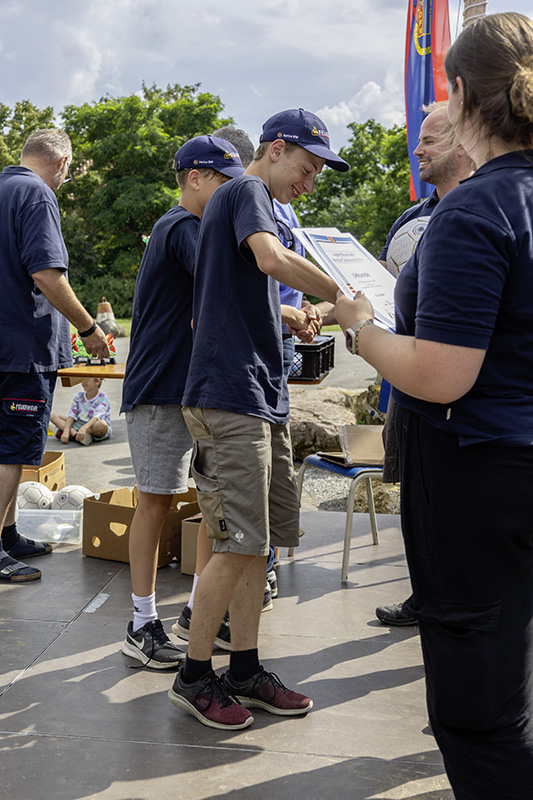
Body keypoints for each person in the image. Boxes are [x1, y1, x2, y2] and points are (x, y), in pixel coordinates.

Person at [334, 13, 533, 797]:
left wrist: (361, 331)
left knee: (478, 711)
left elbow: (441, 374)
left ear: (461, 97)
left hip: (478, 474)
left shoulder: (473, 211)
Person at [168, 108, 348, 730]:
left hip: (260, 392)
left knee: (259, 543)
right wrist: (338, 295)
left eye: (320, 172)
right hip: (230, 396)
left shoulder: (249, 201)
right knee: (237, 541)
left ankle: (244, 667)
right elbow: (270, 260)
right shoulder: (247, 190)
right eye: (308, 165)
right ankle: (194, 675)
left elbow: (238, 292)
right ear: (276, 149)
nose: (311, 180)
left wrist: (289, 317)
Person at [120, 136, 244, 669]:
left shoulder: (192, 228)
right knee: (155, 500)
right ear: (195, 177)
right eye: (224, 183)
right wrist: (287, 312)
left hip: (189, 390)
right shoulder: (183, 229)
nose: (230, 195)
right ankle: (141, 622)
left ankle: (196, 612)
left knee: (203, 505)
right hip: (160, 390)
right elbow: (222, 284)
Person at [374, 101, 473, 627]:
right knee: (412, 494)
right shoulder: (411, 219)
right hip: (405, 382)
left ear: (462, 144)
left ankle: (451, 605)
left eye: (428, 141)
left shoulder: (481, 212)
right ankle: (423, 594)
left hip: (455, 387)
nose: (417, 150)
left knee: (452, 508)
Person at [0, 129, 109, 581]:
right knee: (8, 451)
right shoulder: (38, 195)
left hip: (6, 346)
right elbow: (46, 273)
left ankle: (7, 535)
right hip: (19, 349)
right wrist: (89, 329)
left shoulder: (4, 187)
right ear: (62, 164)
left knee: (8, 444)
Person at [51, 377, 111, 446]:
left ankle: (76, 435)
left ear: (97, 381)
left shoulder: (103, 398)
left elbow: (96, 417)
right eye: (81, 380)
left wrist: (84, 428)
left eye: (86, 380)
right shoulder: (79, 396)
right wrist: (66, 431)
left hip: (92, 427)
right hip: (79, 423)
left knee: (102, 424)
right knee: (53, 416)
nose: (83, 382)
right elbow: (72, 415)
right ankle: (75, 435)